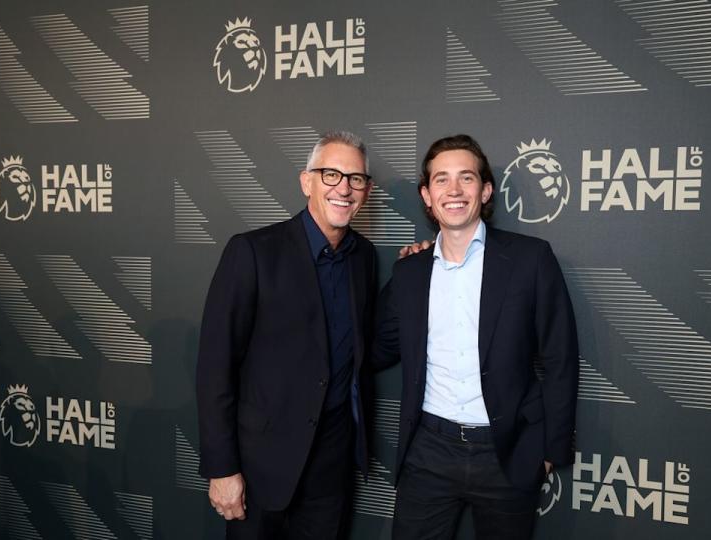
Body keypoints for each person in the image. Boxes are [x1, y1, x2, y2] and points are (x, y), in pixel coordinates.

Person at [373, 134, 579, 539]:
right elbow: (378, 348)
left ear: (484, 191)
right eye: (441, 180)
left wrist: (551, 449)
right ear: (427, 196)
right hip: (428, 450)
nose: (454, 190)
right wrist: (400, 278)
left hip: (506, 452)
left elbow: (560, 356)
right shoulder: (411, 273)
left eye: (466, 178)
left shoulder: (530, 259)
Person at [196, 131, 378, 539]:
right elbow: (215, 367)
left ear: (366, 190)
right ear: (306, 182)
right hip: (260, 468)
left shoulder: (364, 258)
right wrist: (223, 468)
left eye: (356, 178)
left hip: (331, 470)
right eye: (331, 174)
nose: (344, 188)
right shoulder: (253, 252)